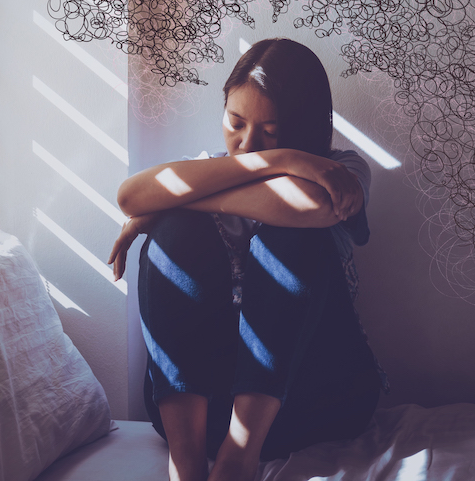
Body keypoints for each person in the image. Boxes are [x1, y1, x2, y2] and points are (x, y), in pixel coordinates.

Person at [108, 38, 383, 481]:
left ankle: (240, 459)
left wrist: (168, 203)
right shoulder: (213, 172)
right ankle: (187, 462)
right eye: (235, 122)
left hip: (318, 398)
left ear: (305, 125)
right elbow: (129, 195)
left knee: (293, 238)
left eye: (271, 132)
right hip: (204, 412)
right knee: (174, 234)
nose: (247, 144)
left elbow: (308, 207)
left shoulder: (340, 169)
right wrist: (279, 158)